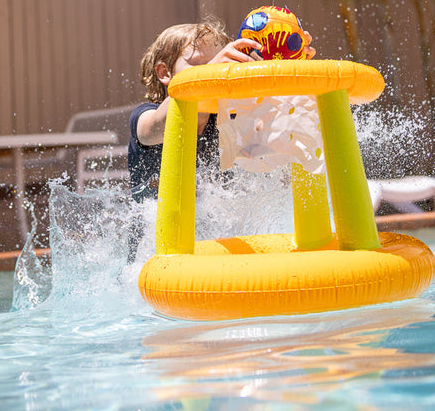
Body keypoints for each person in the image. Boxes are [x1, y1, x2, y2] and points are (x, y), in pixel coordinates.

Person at [127, 16, 315, 261]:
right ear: (165, 73)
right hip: (152, 256)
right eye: (200, 65)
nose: (215, 72)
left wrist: (290, 72)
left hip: (210, 251)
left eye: (221, 66)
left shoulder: (228, 121)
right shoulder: (145, 116)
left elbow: (281, 133)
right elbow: (152, 129)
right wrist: (207, 76)